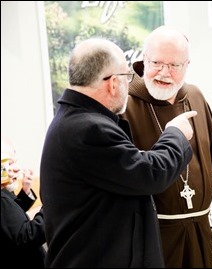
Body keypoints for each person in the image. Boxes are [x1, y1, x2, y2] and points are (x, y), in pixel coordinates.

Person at [40, 37, 197, 268]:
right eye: (127, 77)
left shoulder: (73, 120)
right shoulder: (89, 129)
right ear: (113, 83)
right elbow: (149, 174)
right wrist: (176, 133)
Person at [121, 26, 212, 268]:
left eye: (174, 66)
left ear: (187, 65)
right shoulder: (124, 105)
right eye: (157, 63)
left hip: (200, 228)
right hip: (154, 233)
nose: (164, 73)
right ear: (143, 58)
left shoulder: (194, 96)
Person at [1, 137, 46, 267]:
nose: (17, 169)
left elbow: (10, 219)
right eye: (8, 163)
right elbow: (26, 237)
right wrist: (51, 208)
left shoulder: (4, 193)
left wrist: (25, 191)